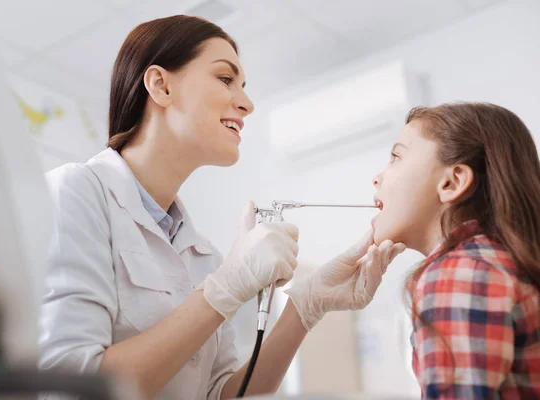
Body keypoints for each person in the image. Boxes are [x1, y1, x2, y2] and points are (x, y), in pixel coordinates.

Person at [38, 15, 404, 399]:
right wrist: (225, 288)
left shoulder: (203, 255)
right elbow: (70, 388)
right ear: (161, 86)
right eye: (226, 79)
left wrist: (305, 307)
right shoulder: (77, 192)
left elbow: (223, 393)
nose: (246, 104)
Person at [371, 102, 540, 399]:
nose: (377, 177)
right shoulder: (496, 262)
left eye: (396, 157)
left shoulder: (460, 272)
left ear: (451, 182)